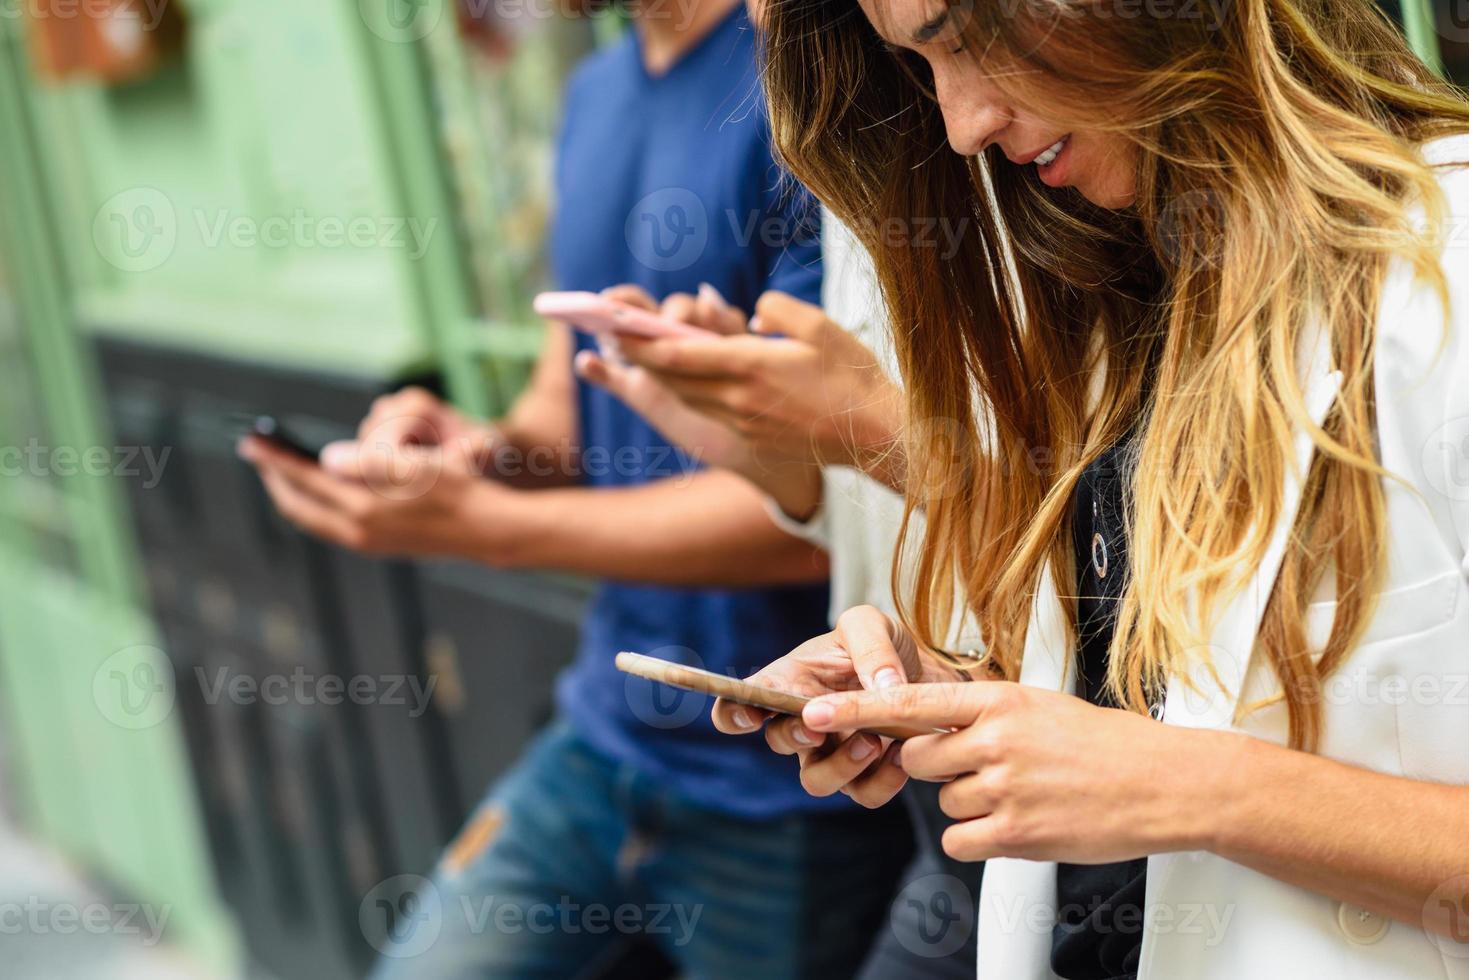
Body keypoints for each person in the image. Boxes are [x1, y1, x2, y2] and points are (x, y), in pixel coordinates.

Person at [707, 0, 1469, 977]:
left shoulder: (1444, 266)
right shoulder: (1130, 292)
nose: (960, 123)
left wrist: (1198, 789)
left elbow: (1186, 771)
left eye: (962, 38)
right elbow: (1176, 711)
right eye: (919, 66)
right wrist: (961, 707)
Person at [238, 0, 912, 974]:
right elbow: (567, 394)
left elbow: (823, 494)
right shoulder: (594, 91)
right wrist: (477, 453)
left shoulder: (808, 69)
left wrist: (493, 528)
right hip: (600, 729)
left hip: (786, 769)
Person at [580, 214, 985, 976]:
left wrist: (877, 434)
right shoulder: (847, 184)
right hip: (937, 795)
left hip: (1073, 817)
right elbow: (866, 516)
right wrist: (764, 454)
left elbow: (1089, 534)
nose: (965, 118)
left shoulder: (1036, 169)